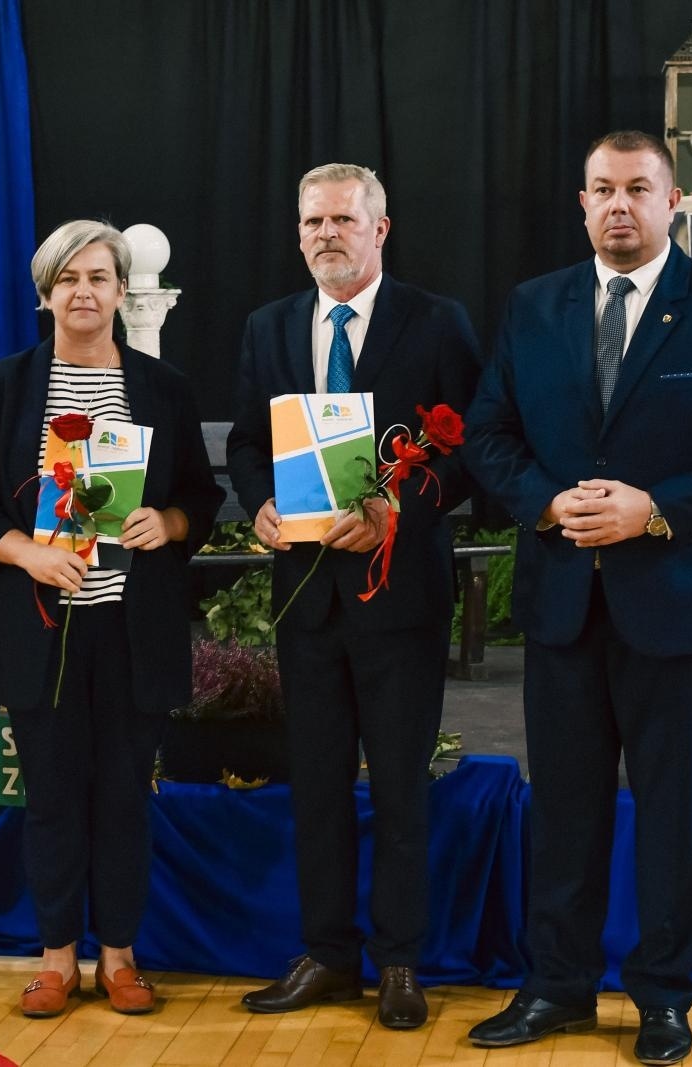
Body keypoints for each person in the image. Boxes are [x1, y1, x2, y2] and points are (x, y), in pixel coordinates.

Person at [461, 131, 692, 1064]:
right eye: (603, 190)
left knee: (671, 811)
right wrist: (543, 500)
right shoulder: (535, 307)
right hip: (565, 603)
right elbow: (488, 435)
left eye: (638, 189)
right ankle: (558, 989)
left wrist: (656, 510)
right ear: (581, 203)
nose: (620, 205)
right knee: (563, 808)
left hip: (682, 606)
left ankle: (663, 997)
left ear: (672, 202)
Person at [0, 220, 222, 1019]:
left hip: (131, 630)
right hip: (42, 627)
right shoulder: (6, 385)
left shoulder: (161, 388)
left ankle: (121, 957)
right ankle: (57, 958)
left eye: (99, 277)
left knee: (125, 797)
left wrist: (167, 524)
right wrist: (23, 553)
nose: (83, 292)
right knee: (53, 799)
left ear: (120, 291)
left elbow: (199, 500)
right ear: (45, 295)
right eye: (67, 279)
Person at [228, 164, 480, 1030]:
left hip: (399, 597)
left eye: (342, 218)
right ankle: (328, 954)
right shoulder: (268, 327)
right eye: (311, 222)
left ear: (380, 229)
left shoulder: (437, 322)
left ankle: (400, 960)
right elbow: (247, 449)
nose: (324, 233)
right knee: (318, 785)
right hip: (305, 595)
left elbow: (473, 452)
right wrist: (257, 502)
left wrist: (398, 510)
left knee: (401, 785)